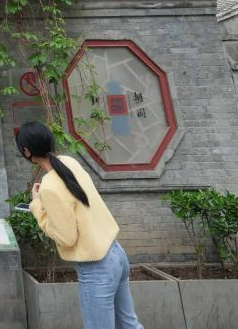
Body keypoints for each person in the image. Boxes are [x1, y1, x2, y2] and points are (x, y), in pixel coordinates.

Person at [16, 120, 144, 329]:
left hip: (96, 266)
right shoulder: (69, 162)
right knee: (130, 325)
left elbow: (67, 237)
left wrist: (37, 207)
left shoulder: (48, 187)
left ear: (26, 151)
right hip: (116, 253)